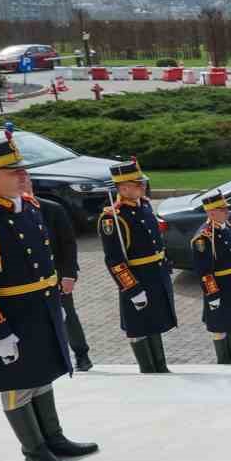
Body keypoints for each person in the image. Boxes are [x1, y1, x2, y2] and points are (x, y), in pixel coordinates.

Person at [0, 129, 96, 461]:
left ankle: (53, 437)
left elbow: (44, 261)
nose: (22, 176)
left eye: (21, 169)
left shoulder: (30, 208)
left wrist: (54, 301)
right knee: (19, 384)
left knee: (43, 374)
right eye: (12, 171)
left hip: (41, 308)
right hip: (11, 317)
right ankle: (34, 451)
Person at [99, 159, 178, 373]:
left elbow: (155, 240)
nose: (143, 186)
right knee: (139, 327)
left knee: (155, 322)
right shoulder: (113, 218)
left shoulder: (144, 205)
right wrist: (133, 290)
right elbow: (114, 260)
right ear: (123, 188)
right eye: (137, 184)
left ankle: (161, 366)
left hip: (155, 275)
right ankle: (148, 369)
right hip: (138, 278)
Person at [24, 171, 93, 371]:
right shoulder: (8, 214)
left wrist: (69, 275)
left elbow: (68, 244)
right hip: (27, 280)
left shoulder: (52, 209)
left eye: (25, 181)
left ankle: (81, 355)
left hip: (55, 276)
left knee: (68, 316)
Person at [191, 189, 231, 365]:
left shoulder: (224, 227)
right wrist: (212, 295)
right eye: (223, 209)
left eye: (226, 209)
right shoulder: (204, 238)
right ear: (211, 213)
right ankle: (224, 360)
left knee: (229, 321)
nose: (227, 212)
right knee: (219, 325)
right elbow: (204, 272)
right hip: (219, 286)